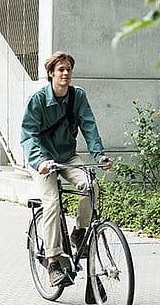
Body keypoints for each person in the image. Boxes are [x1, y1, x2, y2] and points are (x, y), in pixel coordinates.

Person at [20, 51, 113, 287]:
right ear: (51, 73)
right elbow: (28, 135)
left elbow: (89, 126)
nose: (65, 73)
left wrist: (99, 155)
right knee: (52, 201)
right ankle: (52, 262)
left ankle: (79, 232)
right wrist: (39, 161)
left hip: (67, 156)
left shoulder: (77, 96)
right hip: (43, 159)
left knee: (90, 185)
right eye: (60, 69)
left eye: (68, 69)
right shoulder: (38, 100)